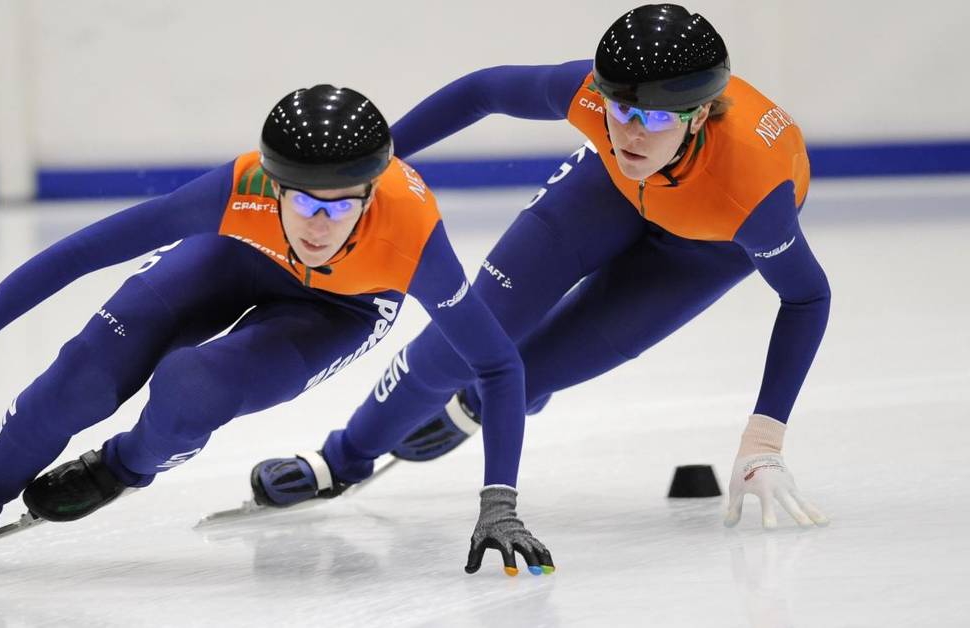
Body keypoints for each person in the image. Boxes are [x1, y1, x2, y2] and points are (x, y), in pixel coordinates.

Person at [0, 85, 553, 576]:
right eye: (302, 201)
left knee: (191, 386)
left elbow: (498, 365)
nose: (318, 226)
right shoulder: (241, 187)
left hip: (340, 309)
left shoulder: (412, 237)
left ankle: (123, 466)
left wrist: (499, 503)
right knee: (81, 375)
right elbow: (87, 249)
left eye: (339, 207)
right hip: (238, 255)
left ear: (372, 194)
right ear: (273, 185)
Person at [255, 4, 831, 532]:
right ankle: (340, 459)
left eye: (656, 119)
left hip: (708, 244)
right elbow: (483, 90)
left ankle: (476, 406)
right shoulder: (592, 99)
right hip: (609, 188)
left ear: (700, 114)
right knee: (459, 344)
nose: (631, 132)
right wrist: (367, 166)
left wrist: (764, 440)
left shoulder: (753, 197)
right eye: (621, 110)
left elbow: (807, 297)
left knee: (525, 375)